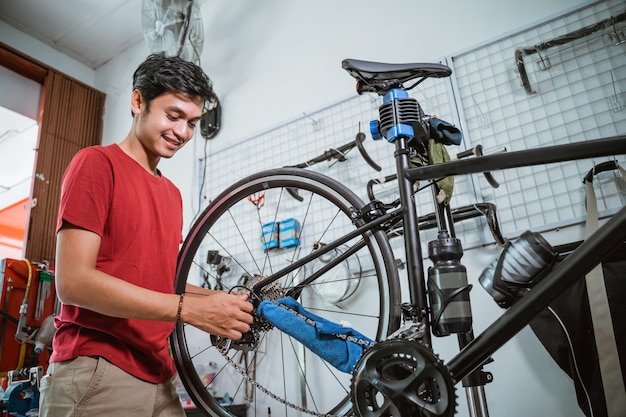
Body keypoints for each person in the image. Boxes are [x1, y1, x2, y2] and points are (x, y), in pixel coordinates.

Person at [38, 53, 254, 417]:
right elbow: (73, 283)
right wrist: (191, 311)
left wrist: (228, 302)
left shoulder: (171, 194)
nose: (183, 133)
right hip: (98, 369)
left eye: (192, 122)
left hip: (160, 375)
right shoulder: (96, 164)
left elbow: (163, 281)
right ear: (138, 101)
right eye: (173, 116)